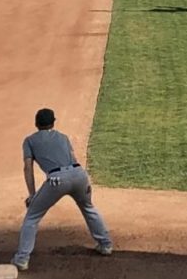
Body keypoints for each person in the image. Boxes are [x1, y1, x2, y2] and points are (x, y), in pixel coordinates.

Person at [11, 108, 113, 271]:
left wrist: (32, 195)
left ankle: (22, 259)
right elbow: (73, 158)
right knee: (88, 208)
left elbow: (27, 168)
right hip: (80, 175)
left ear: (36, 123)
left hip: (56, 180)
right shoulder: (63, 137)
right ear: (53, 122)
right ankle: (106, 245)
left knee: (32, 216)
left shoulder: (29, 140)